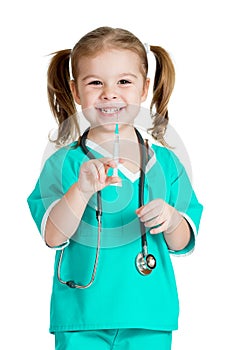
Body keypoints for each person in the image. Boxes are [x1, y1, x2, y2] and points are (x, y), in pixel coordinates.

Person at [27, 26, 203, 350]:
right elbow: (53, 236)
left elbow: (182, 243)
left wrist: (172, 218)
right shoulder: (63, 164)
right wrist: (80, 192)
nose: (109, 93)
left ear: (144, 88)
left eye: (124, 81)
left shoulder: (166, 165)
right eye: (95, 83)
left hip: (149, 315)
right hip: (82, 316)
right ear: (76, 92)